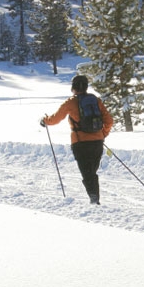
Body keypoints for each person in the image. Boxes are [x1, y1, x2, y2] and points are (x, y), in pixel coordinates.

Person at [41, 75, 113, 205]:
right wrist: (102, 134)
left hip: (80, 142)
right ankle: (95, 199)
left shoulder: (70, 102)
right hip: (97, 142)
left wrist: (45, 120)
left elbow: (55, 119)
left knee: (87, 172)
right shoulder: (96, 101)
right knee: (92, 171)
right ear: (86, 87)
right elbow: (109, 120)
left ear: (73, 87)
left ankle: (94, 201)